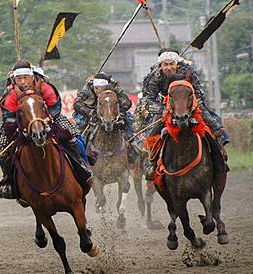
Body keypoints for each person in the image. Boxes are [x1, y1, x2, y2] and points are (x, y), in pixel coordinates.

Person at [0, 60, 91, 199]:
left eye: (25, 77)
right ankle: (8, 180)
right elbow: (8, 114)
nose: (23, 81)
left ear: (32, 77)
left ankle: (79, 166)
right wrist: (21, 126)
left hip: (47, 118)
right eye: (19, 79)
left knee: (72, 135)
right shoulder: (11, 93)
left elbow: (55, 105)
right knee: (0, 147)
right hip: (20, 122)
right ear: (14, 79)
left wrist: (48, 118)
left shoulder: (44, 87)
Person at [140, 48, 229, 177]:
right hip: (164, 106)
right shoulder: (153, 77)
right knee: (152, 132)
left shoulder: (188, 72)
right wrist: (164, 109)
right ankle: (151, 164)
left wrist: (190, 106)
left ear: (177, 63)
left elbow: (198, 93)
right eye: (165, 64)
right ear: (160, 65)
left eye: (172, 64)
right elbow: (147, 101)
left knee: (212, 123)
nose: (169, 67)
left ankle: (219, 156)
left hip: (188, 103)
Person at [73, 72, 140, 160]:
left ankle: (133, 144)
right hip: (91, 111)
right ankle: (78, 150)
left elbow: (127, 103)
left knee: (127, 119)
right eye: (95, 88)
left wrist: (116, 111)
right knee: (80, 125)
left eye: (100, 89)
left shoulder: (115, 87)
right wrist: (91, 112)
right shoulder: (88, 88)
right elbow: (77, 104)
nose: (97, 91)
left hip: (111, 110)